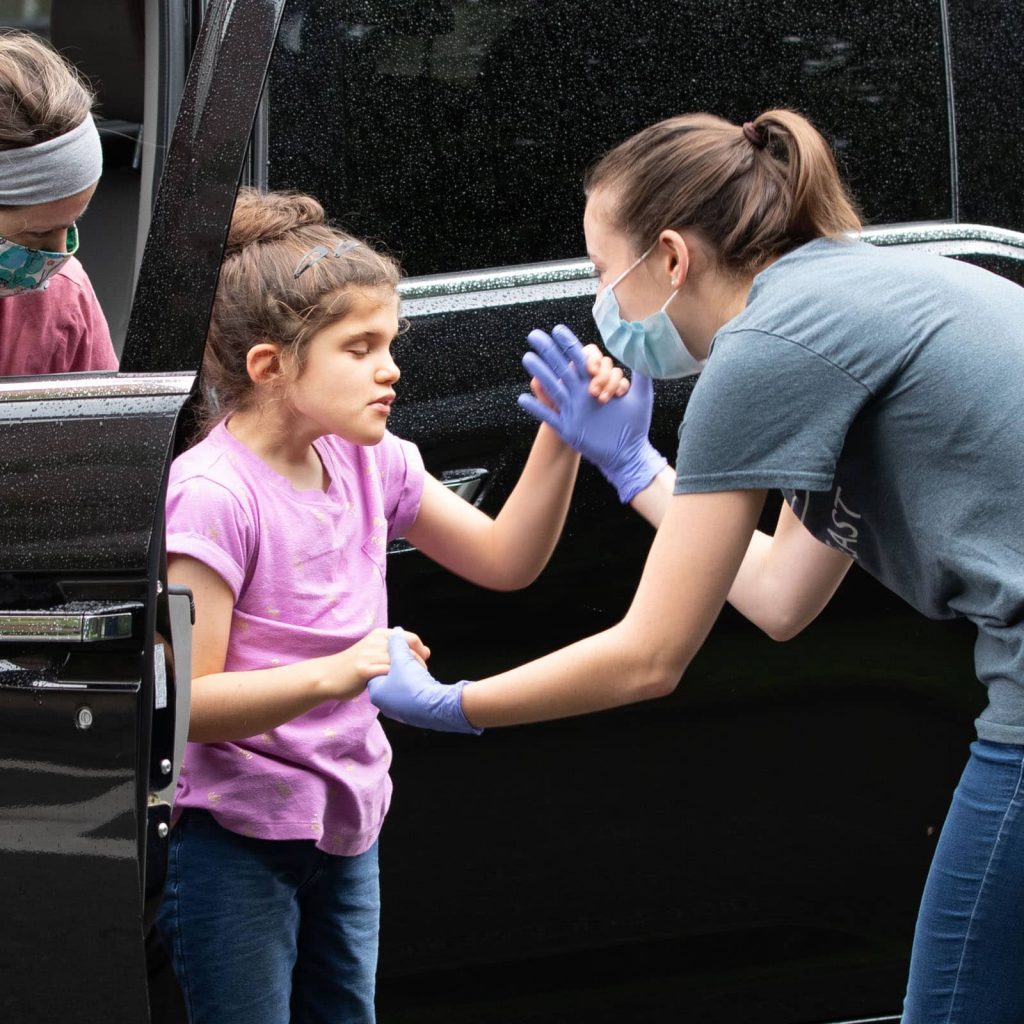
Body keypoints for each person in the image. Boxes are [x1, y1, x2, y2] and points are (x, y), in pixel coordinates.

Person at [367, 110, 1024, 1024]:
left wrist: (457, 703)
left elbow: (650, 656)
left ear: (672, 259)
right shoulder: (854, 290)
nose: (602, 304)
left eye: (604, 273)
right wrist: (636, 468)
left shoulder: (765, 351)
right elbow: (780, 595)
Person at [155, 187, 625, 1023]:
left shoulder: (375, 462)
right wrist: (341, 671)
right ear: (271, 367)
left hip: (348, 821)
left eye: (390, 341)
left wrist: (565, 437)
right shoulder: (214, 495)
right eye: (360, 346)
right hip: (233, 840)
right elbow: (190, 702)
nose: (391, 367)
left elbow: (508, 561)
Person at [0, 30, 117, 375]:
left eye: (71, 223)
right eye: (37, 233)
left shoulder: (65, 299)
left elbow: (103, 422)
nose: (59, 256)